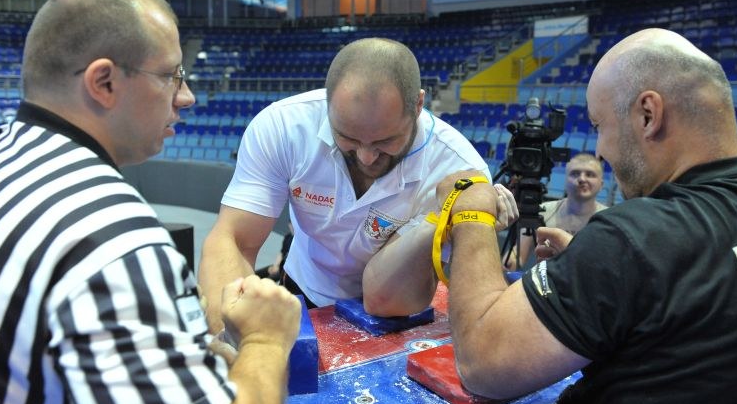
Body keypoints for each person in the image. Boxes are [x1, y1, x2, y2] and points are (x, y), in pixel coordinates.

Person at [0, 0, 301, 404]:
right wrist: (267, 342)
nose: (187, 97)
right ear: (104, 83)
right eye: (171, 76)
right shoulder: (109, 234)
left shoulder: (2, 156)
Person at [438, 28, 737, 404]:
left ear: (647, 115)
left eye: (600, 124)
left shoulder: (632, 239)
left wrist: (471, 213)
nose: (600, 149)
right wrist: (596, 277)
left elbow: (483, 362)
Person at [199, 37, 517, 332]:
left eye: (386, 141)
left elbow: (386, 299)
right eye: (347, 138)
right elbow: (235, 241)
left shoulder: (457, 169)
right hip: (303, 286)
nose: (365, 157)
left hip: (394, 311)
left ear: (418, 105)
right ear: (328, 104)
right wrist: (229, 338)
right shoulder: (284, 127)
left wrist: (436, 218)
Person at [506, 152, 607, 269]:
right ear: (565, 181)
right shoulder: (541, 212)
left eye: (590, 174)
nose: (582, 179)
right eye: (575, 174)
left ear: (601, 184)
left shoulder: (611, 219)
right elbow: (517, 257)